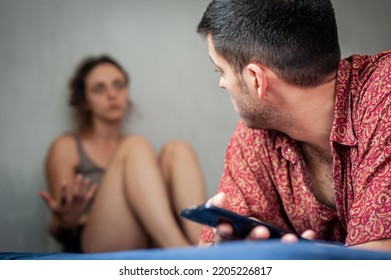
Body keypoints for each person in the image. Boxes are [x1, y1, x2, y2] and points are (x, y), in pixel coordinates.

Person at [196, 0, 390, 251]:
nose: (222, 84)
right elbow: (205, 255)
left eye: (220, 71)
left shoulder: (384, 95)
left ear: (256, 79)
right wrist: (228, 256)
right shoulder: (255, 137)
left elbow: (375, 266)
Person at [39, 55, 207, 253]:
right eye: (99, 89)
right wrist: (65, 221)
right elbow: (60, 229)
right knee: (135, 146)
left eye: (118, 85)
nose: (112, 94)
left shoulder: (137, 151)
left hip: (144, 237)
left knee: (178, 150)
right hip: (93, 242)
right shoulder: (66, 146)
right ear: (84, 101)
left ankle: (205, 245)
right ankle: (185, 256)